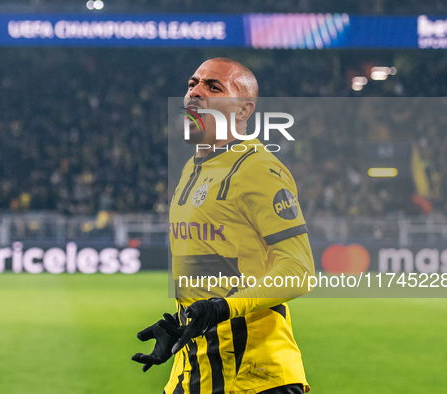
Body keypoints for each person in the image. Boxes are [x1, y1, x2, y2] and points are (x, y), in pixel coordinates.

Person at [133, 57, 315, 394]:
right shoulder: (191, 169)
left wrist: (223, 307)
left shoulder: (257, 169)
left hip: (252, 379)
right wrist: (181, 324)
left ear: (244, 111)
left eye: (213, 86)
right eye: (192, 84)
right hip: (190, 378)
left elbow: (298, 270)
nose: (195, 92)